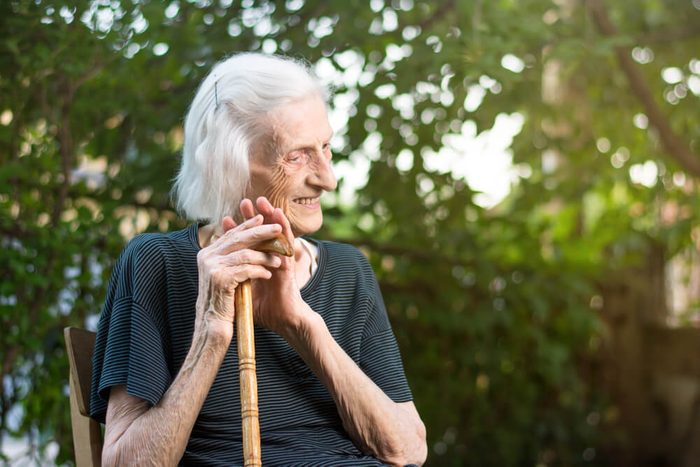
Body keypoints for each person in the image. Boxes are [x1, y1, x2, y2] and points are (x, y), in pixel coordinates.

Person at [89, 52, 427, 466]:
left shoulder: (347, 271)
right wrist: (212, 330)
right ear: (226, 165)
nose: (328, 178)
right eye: (297, 155)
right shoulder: (156, 264)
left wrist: (302, 326)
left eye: (326, 148)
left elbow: (407, 451)